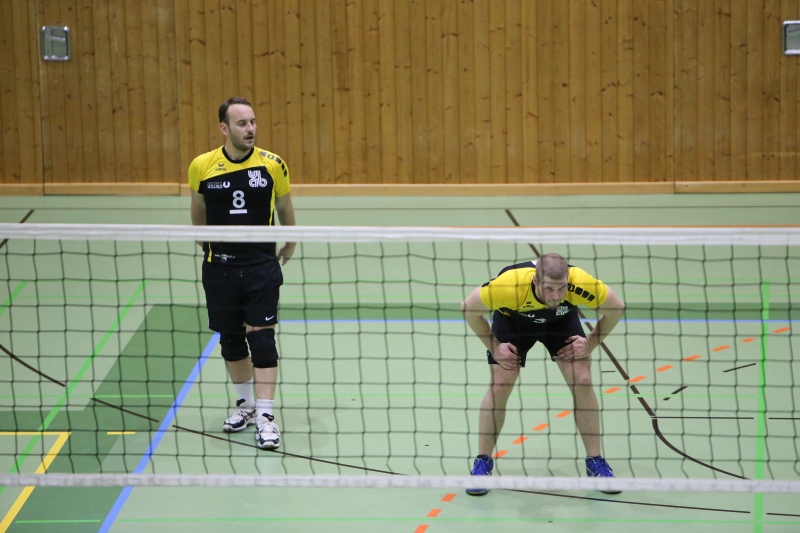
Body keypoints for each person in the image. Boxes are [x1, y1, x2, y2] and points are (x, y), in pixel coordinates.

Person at [461, 253, 625, 495]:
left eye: (561, 288)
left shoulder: (580, 283)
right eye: (549, 289)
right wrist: (494, 346)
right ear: (536, 281)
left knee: (582, 380)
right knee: (500, 384)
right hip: (514, 321)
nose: (556, 295)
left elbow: (616, 308)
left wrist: (590, 344)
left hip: (560, 321)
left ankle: (595, 462)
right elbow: (468, 309)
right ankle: (482, 463)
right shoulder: (509, 286)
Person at [188, 96, 296, 450]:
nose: (250, 129)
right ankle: (246, 405)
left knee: (262, 340)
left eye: (252, 122)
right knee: (231, 340)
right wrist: (203, 241)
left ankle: (265, 417)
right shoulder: (202, 165)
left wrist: (291, 240)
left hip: (260, 267)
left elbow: (284, 206)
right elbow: (198, 208)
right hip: (219, 268)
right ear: (224, 128)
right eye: (242, 123)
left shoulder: (272, 164)